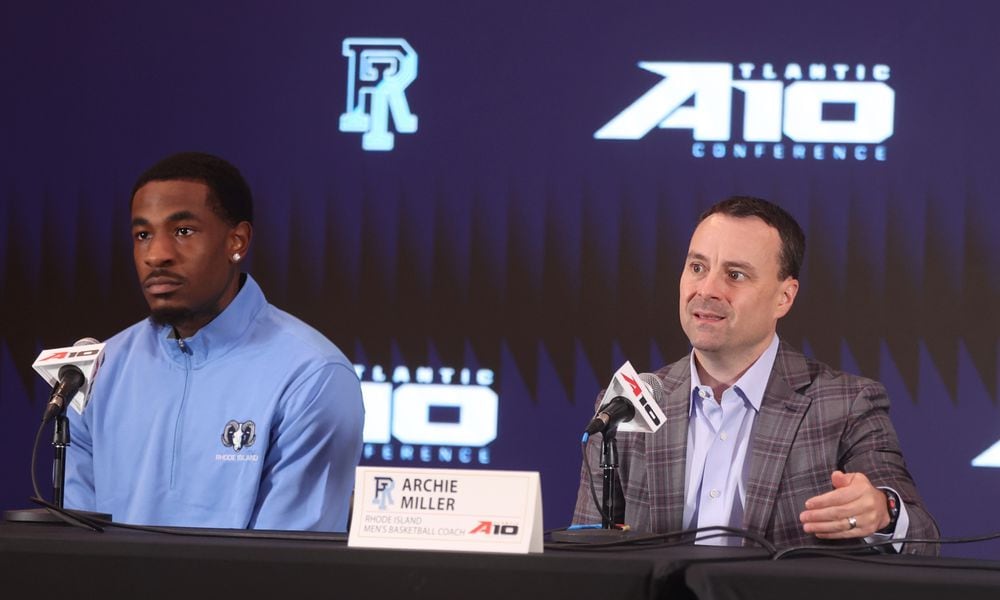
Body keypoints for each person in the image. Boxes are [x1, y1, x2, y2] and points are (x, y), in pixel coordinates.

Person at [572, 196, 938, 554]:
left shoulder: (845, 405)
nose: (707, 289)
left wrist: (882, 512)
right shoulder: (627, 404)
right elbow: (586, 562)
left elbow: (923, 539)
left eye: (735, 274)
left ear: (784, 297)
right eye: (698, 267)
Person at [65, 152, 364, 531]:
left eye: (183, 231)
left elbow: (288, 568)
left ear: (236, 241)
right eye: (142, 235)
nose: (157, 255)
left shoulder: (313, 376)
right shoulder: (97, 370)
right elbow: (78, 545)